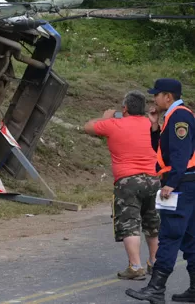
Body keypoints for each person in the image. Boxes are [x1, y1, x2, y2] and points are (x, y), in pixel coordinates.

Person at [128, 78, 195, 303]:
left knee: (169, 234)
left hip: (182, 184)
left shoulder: (180, 117)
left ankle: (156, 288)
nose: (153, 99)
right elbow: (163, 150)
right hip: (187, 183)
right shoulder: (173, 117)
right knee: (189, 237)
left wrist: (171, 183)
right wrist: (155, 127)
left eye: (157, 94)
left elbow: (180, 154)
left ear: (168, 97)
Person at [83, 90, 160, 280]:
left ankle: (135, 266)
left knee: (129, 224)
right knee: (153, 224)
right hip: (154, 178)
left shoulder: (114, 124)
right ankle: (154, 262)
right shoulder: (153, 124)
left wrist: (104, 117)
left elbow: (88, 127)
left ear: (124, 108)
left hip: (128, 181)